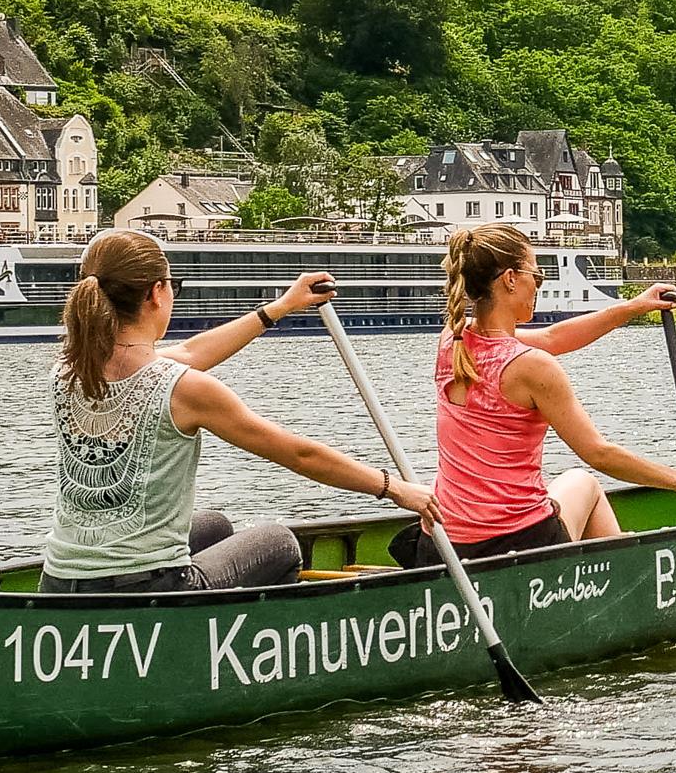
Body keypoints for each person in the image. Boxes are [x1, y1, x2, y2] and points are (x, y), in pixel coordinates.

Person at [45, 229, 422, 595]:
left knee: (213, 526)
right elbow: (299, 454)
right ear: (157, 293)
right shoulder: (184, 388)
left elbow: (192, 352)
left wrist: (282, 306)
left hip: (59, 580)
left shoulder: (67, 369)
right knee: (278, 542)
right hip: (148, 586)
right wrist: (393, 488)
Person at [403, 223, 676, 568]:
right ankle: (622, 581)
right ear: (510, 279)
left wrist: (634, 307)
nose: (538, 285)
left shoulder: (452, 340)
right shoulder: (531, 367)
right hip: (514, 544)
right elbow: (599, 453)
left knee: (571, 485)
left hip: (440, 542)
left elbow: (552, 338)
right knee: (586, 483)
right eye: (537, 276)